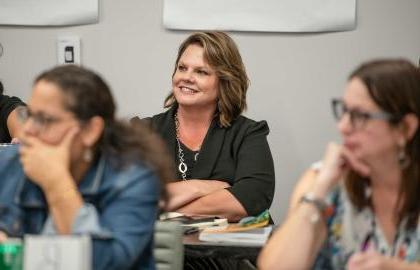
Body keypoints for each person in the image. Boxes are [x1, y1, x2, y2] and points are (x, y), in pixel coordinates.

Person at [0, 65, 173, 270]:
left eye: (44, 120)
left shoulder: (134, 178)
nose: (27, 131)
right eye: (28, 116)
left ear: (91, 130)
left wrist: (56, 183)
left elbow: (106, 264)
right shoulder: (11, 162)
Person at [258, 59, 420, 270]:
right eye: (343, 111)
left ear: (405, 128)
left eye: (360, 116)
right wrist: (320, 189)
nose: (343, 126)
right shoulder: (322, 182)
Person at [141, 31, 275, 222]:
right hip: (161, 250)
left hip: (233, 251)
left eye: (201, 72)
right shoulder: (144, 132)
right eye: (182, 68)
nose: (186, 77)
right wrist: (200, 187)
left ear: (224, 81)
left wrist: (165, 208)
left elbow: (252, 199)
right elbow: (126, 197)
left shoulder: (248, 133)